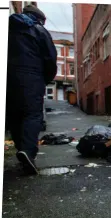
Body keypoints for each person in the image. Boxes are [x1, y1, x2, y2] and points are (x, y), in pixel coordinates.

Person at [6, 5, 57, 175]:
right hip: (30, 76)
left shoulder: (8, 27)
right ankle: (27, 152)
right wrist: (46, 78)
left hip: (7, 76)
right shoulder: (38, 31)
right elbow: (50, 58)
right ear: (39, 18)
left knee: (14, 115)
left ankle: (21, 150)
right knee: (32, 114)